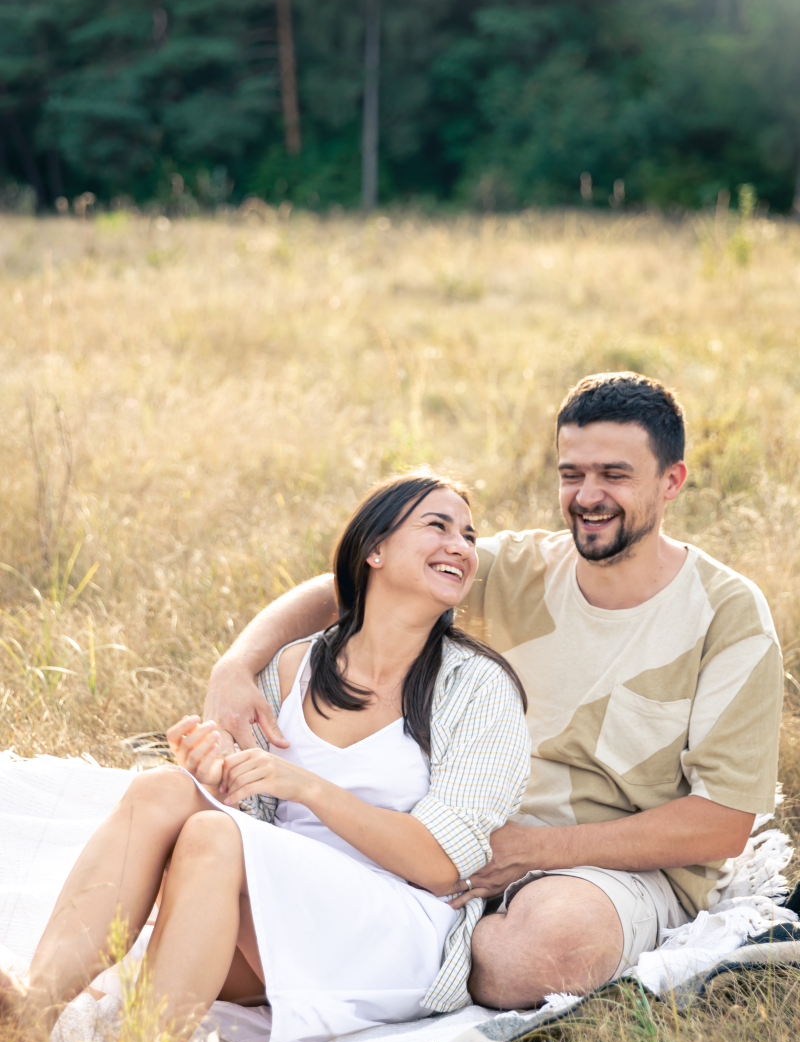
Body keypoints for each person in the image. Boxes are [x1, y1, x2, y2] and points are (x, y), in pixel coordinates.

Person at [203, 373, 784, 1009]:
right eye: (572, 474)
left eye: (614, 475)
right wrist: (236, 665)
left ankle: (424, 959)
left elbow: (723, 823)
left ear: (671, 481)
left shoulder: (727, 613)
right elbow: (341, 588)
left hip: (612, 866)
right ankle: (402, 956)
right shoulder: (513, 566)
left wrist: (538, 850)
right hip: (452, 831)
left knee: (532, 957)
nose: (588, 496)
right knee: (219, 868)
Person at [0, 473, 530, 1042]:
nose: (461, 545)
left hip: (395, 929)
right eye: (438, 526)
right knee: (164, 790)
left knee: (212, 835)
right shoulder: (295, 667)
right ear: (373, 549)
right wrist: (218, 774)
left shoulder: (477, 687)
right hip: (282, 904)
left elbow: (441, 864)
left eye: (468, 535)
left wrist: (309, 787)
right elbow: (257, 813)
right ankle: (35, 1009)